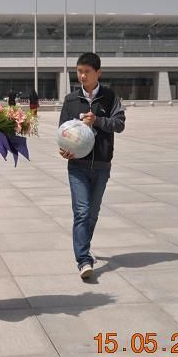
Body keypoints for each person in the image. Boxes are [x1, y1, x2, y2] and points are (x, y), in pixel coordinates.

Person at [58, 53, 126, 280]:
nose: (82, 76)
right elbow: (62, 131)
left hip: (102, 165)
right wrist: (64, 150)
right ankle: (83, 260)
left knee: (93, 214)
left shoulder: (110, 97)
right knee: (82, 212)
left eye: (87, 71)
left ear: (98, 73)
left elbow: (119, 124)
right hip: (77, 166)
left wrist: (97, 120)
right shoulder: (71, 100)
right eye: (79, 71)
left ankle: (84, 248)